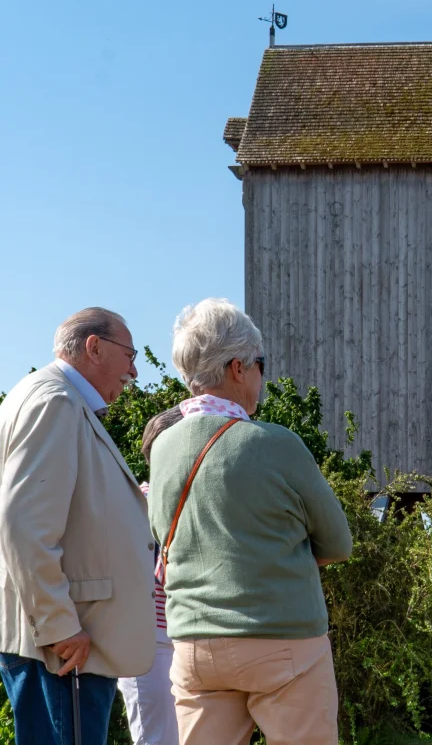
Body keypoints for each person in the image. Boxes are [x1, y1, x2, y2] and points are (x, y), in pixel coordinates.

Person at [148, 298, 353, 745]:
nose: (263, 376)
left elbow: (163, 535)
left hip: (194, 644)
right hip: (282, 638)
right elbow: (338, 542)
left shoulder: (162, 448)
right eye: (261, 364)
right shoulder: (277, 444)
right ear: (238, 368)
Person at [0, 307, 157, 745]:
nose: (134, 370)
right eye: (129, 354)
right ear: (93, 347)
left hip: (60, 645)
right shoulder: (56, 402)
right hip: (63, 650)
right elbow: (23, 522)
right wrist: (59, 626)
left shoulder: (44, 397)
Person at [118, 406, 184, 745]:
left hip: (185, 638)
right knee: (157, 739)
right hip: (150, 643)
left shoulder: (187, 499)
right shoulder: (138, 501)